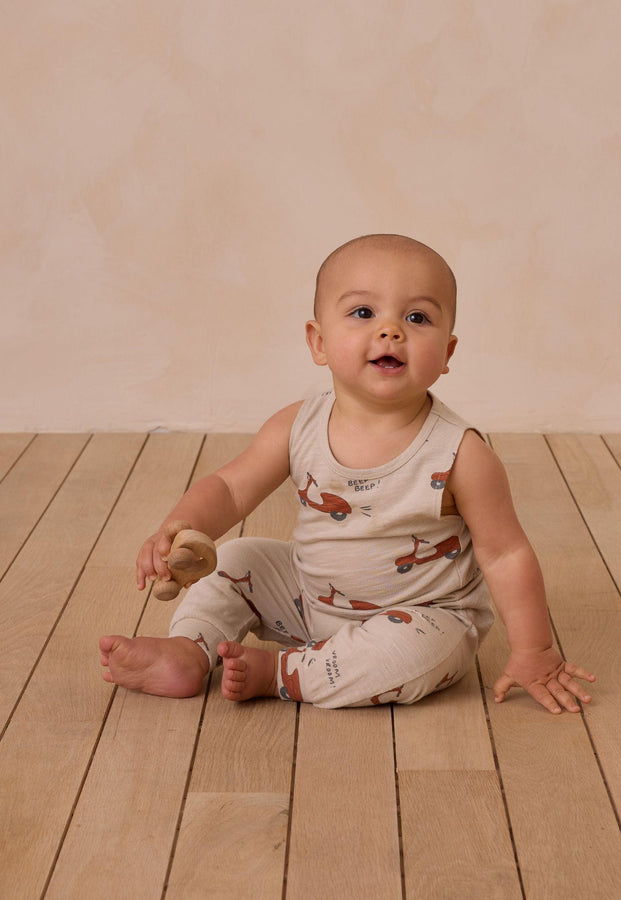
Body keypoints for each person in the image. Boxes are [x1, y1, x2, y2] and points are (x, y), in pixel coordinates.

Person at [100, 234, 595, 713]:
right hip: (308, 597)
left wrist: (534, 651)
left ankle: (283, 673)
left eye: (417, 317)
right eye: (363, 313)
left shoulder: (459, 454)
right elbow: (230, 488)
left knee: (414, 653)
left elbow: (506, 555)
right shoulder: (298, 424)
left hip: (421, 616)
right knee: (237, 557)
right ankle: (190, 649)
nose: (391, 330)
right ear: (318, 342)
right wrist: (180, 527)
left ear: (446, 353)